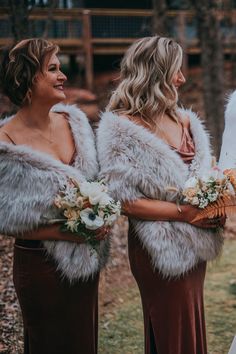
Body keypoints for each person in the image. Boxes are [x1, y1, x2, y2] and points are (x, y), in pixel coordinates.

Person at [96, 36, 225, 354]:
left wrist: (214, 202)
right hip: (159, 248)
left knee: (189, 324)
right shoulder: (121, 129)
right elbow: (125, 201)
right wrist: (185, 213)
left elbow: (202, 175)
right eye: (176, 71)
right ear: (155, 74)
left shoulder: (184, 120)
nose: (182, 78)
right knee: (171, 331)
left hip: (196, 243)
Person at [0, 38, 109, 354]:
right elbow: (5, 219)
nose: (63, 76)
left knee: (83, 342)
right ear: (27, 78)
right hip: (41, 267)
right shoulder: (5, 142)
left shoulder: (74, 123)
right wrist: (64, 233)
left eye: (60, 68)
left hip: (85, 264)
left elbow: (96, 185)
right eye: (52, 69)